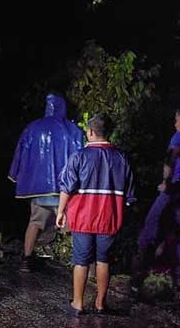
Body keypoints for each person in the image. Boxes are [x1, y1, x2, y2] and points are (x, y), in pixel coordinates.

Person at [56, 115, 135, 316]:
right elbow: (130, 194)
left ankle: (78, 304)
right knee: (104, 260)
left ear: (90, 132)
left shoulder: (79, 156)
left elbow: (67, 186)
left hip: (83, 217)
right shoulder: (122, 158)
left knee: (81, 260)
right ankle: (100, 303)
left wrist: (61, 211)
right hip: (110, 216)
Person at [9, 93, 84, 272]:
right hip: (65, 191)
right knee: (73, 227)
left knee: (34, 222)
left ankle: (26, 259)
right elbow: (82, 158)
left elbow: (21, 152)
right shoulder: (74, 130)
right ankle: (80, 264)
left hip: (38, 190)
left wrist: (15, 174)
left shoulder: (32, 128)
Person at [132, 104, 180, 302]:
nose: (175, 125)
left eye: (177, 120)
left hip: (175, 192)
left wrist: (165, 182)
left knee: (149, 232)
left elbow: (171, 157)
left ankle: (136, 283)